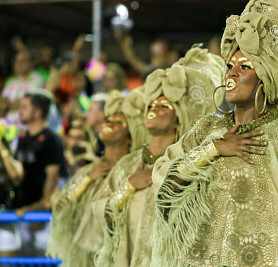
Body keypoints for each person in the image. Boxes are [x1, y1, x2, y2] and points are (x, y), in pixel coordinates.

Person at [151, 0, 278, 266]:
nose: (232, 73)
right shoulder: (207, 130)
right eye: (229, 65)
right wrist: (213, 149)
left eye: (244, 67)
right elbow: (165, 186)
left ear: (266, 77)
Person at [94, 46, 225, 267]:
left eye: (164, 106)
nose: (154, 110)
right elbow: (100, 212)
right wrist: (128, 188)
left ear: (179, 117)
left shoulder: (189, 161)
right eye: (151, 105)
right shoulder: (128, 165)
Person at [47, 89, 146, 267]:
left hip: (118, 252)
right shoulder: (88, 170)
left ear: (130, 137)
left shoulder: (134, 167)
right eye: (108, 121)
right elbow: (61, 204)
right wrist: (87, 180)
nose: (110, 125)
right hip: (84, 256)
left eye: (118, 123)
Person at [10, 90, 65, 256]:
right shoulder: (21, 138)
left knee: (41, 257)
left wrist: (40, 209)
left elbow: (52, 177)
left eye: (24, 107)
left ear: (38, 112)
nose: (20, 111)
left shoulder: (51, 140)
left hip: (40, 217)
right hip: (20, 212)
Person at [1, 50, 46, 130]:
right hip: (7, 125)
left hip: (26, 127)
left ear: (31, 63)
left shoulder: (38, 80)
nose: (19, 64)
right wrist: (11, 104)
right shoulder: (11, 81)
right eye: (17, 61)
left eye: (23, 61)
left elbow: (27, 104)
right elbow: (2, 103)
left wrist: (10, 105)